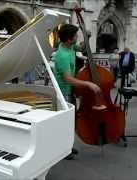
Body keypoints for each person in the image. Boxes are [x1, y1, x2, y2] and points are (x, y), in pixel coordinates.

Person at [54, 24, 102, 160]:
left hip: (70, 91)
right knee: (65, 123)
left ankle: (67, 147)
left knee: (71, 121)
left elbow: (81, 47)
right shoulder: (62, 55)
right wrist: (88, 84)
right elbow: (68, 79)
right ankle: (62, 150)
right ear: (69, 39)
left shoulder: (69, 47)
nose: (77, 37)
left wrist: (88, 36)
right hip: (64, 92)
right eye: (75, 35)